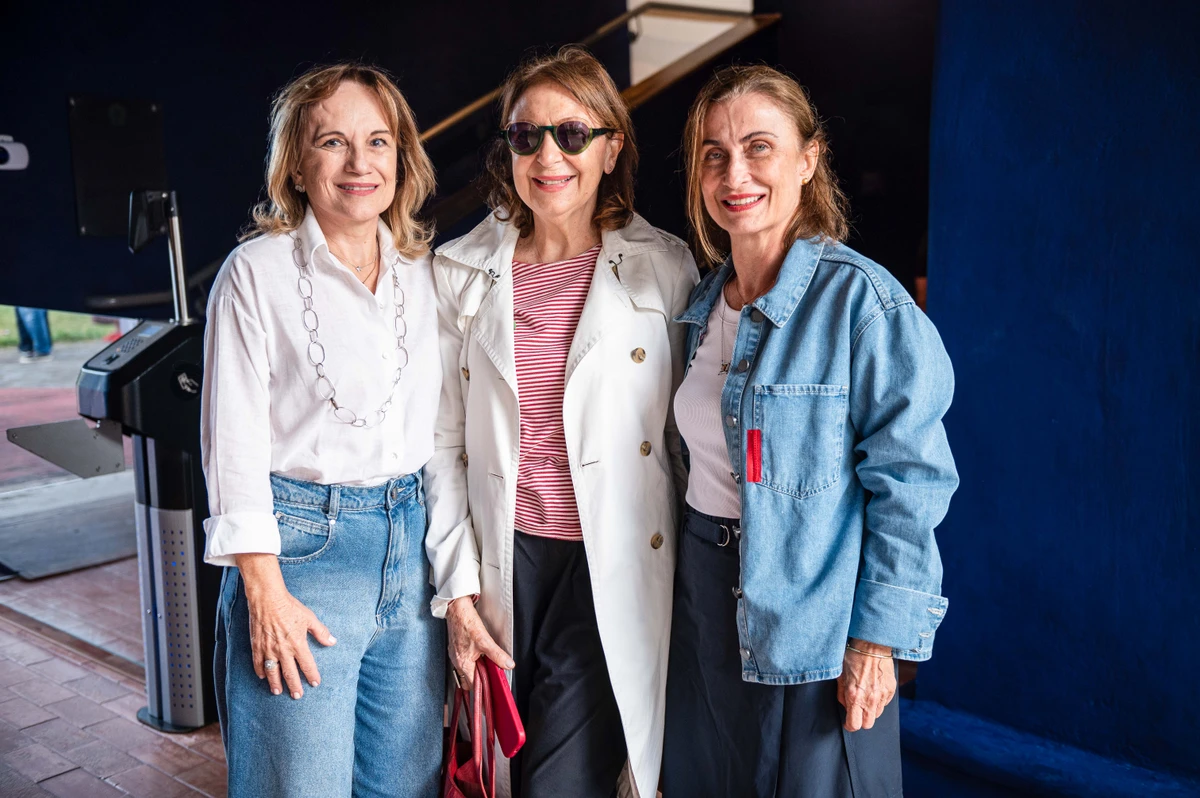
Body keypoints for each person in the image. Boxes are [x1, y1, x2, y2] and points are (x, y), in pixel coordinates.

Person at [661, 65, 959, 797]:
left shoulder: (865, 305)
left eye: (759, 147)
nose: (735, 173)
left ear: (808, 159)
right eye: (714, 154)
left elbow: (912, 483)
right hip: (701, 605)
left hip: (813, 620)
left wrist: (878, 640)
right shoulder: (699, 305)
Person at [424, 46, 698, 798]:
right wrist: (458, 590)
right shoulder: (458, 271)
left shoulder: (665, 267)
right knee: (500, 773)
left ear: (611, 148)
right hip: (504, 563)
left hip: (607, 567)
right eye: (527, 136)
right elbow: (443, 446)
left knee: (557, 782)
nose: (548, 156)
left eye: (572, 134)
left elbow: (686, 442)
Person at [200, 63, 443, 797]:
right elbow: (231, 442)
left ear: (401, 158)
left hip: (412, 552)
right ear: (297, 166)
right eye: (332, 142)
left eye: (378, 141)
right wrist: (263, 590)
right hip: (302, 554)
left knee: (404, 786)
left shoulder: (427, 272)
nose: (359, 162)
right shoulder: (254, 273)